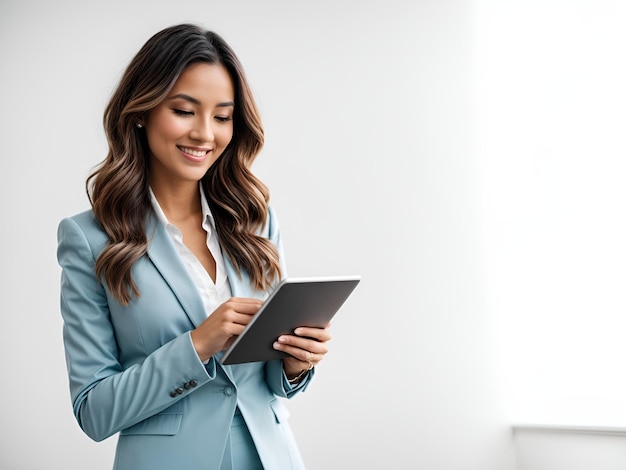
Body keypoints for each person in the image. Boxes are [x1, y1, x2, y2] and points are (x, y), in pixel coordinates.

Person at [57, 23, 331, 470]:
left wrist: (295, 366)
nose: (206, 134)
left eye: (223, 116)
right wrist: (198, 345)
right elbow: (94, 411)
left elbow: (268, 385)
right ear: (141, 111)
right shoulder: (89, 240)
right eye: (185, 110)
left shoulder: (256, 222)